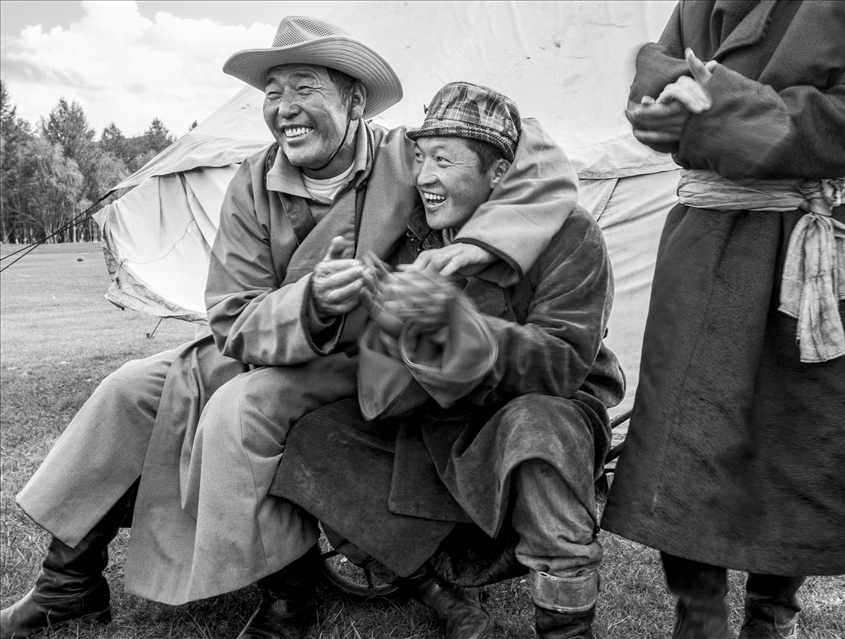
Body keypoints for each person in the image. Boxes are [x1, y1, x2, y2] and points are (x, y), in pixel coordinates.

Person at [1, 18, 580, 639]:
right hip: (271, 342)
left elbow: (540, 160)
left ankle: (289, 598)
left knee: (247, 405)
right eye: (273, 93)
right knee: (129, 389)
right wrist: (312, 303)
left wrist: (475, 246)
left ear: (354, 101)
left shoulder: (407, 157)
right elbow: (232, 315)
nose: (285, 108)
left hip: (365, 361)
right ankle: (68, 584)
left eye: (305, 88)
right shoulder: (252, 183)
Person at [600, 2, 845, 638]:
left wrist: (722, 107)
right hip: (707, 240)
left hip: (812, 241)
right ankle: (698, 615)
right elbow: (661, 72)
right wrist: (661, 109)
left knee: (801, 436)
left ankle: (771, 615)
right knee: (687, 435)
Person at [270, 81, 626, 639]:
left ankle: (566, 628)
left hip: (539, 408)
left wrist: (459, 326)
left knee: (539, 430)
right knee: (317, 441)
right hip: (440, 418)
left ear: (498, 173)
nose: (424, 177)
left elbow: (561, 366)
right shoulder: (417, 232)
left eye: (443, 160)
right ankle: (442, 598)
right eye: (419, 158)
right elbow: (389, 360)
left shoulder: (570, 234)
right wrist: (370, 310)